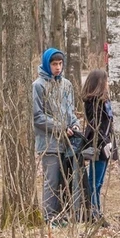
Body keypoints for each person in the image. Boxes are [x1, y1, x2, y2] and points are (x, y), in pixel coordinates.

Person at [33, 47, 82, 224]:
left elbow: (70, 111)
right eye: (54, 64)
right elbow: (37, 116)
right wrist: (60, 127)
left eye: (60, 64)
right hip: (49, 142)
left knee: (65, 181)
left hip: (68, 142)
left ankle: (61, 216)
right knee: (51, 181)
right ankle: (48, 217)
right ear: (47, 64)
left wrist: (75, 124)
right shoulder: (38, 85)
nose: (58, 67)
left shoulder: (66, 84)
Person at [80, 68, 113, 225]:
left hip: (106, 144)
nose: (108, 84)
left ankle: (97, 212)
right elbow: (96, 126)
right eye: (106, 81)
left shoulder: (106, 103)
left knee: (98, 182)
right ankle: (93, 213)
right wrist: (105, 141)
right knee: (94, 181)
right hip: (98, 144)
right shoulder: (93, 103)